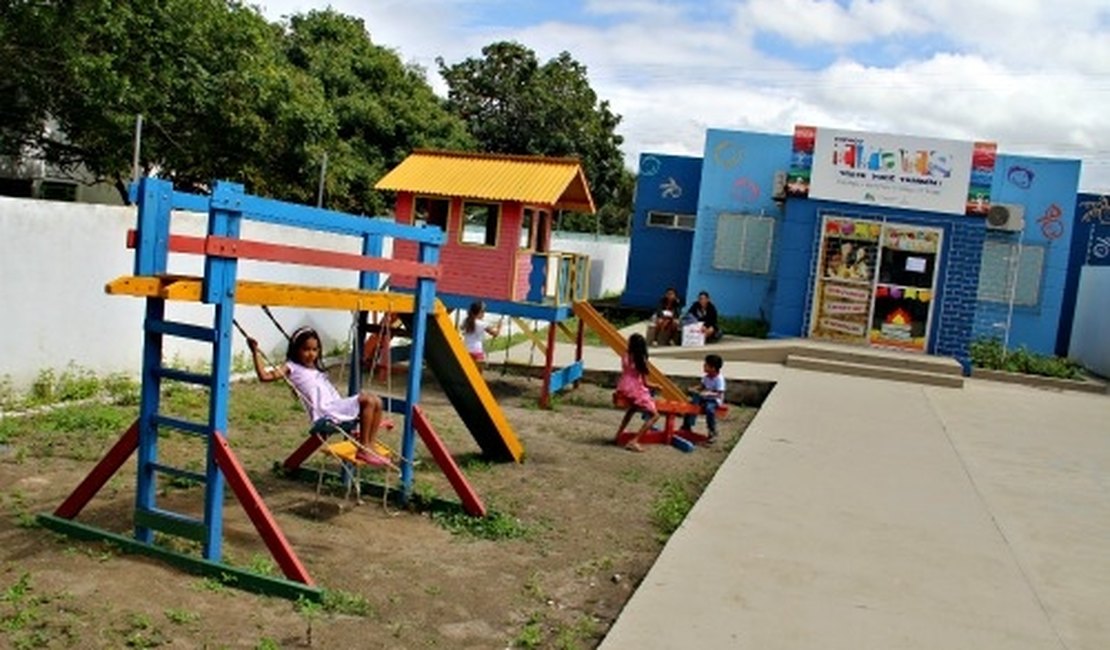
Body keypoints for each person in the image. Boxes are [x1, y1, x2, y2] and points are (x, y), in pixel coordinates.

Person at [248, 327, 388, 467]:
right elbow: (264, 376)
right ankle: (363, 449)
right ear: (296, 349)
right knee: (368, 400)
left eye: (315, 350)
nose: (311, 354)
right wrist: (255, 352)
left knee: (377, 401)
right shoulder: (291, 367)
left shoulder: (314, 367)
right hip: (325, 413)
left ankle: (369, 444)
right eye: (306, 349)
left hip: (335, 405)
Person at [614, 333, 660, 452]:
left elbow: (627, 372)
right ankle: (634, 441)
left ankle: (618, 435)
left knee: (632, 409)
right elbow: (646, 383)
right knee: (655, 415)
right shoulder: (641, 360)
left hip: (623, 385)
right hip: (635, 389)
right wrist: (658, 386)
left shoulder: (625, 355)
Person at [682, 354, 726, 442]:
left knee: (709, 409)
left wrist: (708, 393)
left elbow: (719, 393)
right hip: (704, 398)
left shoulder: (719, 379)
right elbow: (702, 386)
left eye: (706, 365)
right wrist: (694, 389)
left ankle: (712, 431)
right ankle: (687, 425)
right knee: (690, 403)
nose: (704, 366)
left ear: (713, 368)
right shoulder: (706, 377)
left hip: (714, 400)